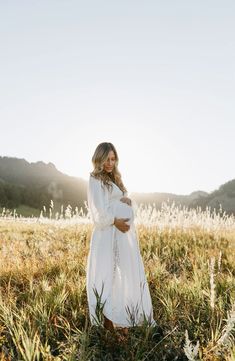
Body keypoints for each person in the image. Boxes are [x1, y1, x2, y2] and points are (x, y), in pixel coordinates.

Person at [86, 142, 156, 335]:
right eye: (107, 158)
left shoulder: (116, 178)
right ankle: (108, 327)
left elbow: (124, 200)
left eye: (113, 158)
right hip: (106, 235)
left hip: (122, 237)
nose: (110, 162)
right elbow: (98, 213)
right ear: (99, 158)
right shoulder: (94, 179)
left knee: (123, 275)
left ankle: (122, 321)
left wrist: (128, 201)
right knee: (106, 277)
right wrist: (115, 220)